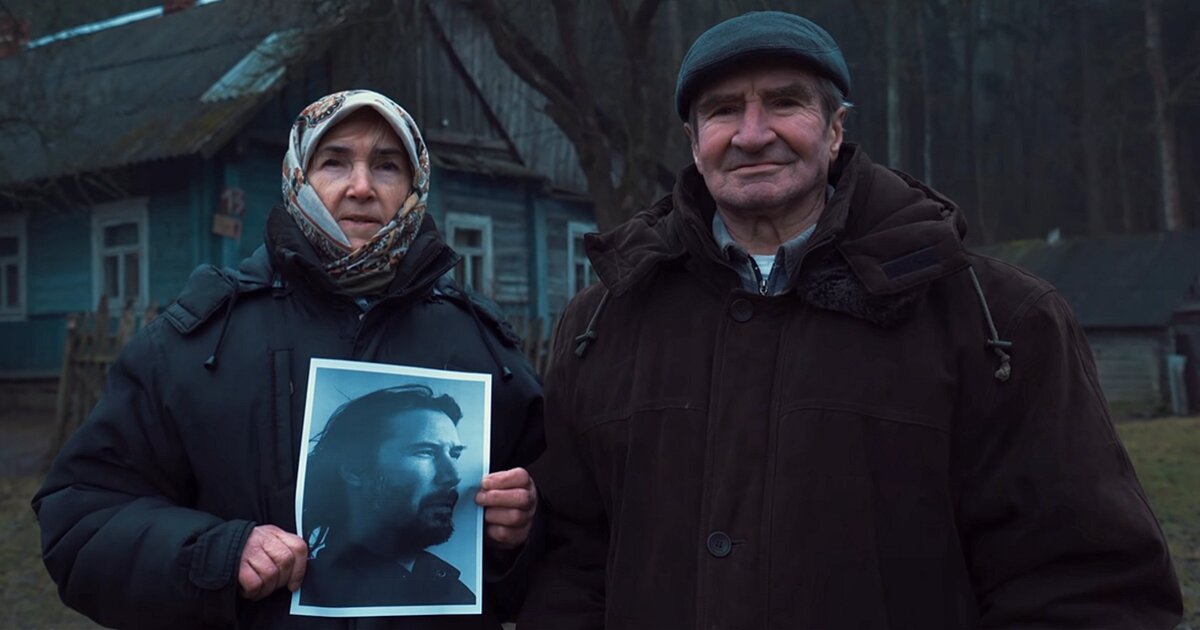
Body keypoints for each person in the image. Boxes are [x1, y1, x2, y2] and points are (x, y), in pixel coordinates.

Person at [519, 11, 1182, 630]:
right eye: (723, 111)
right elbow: (571, 567)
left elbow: (1087, 586)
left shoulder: (996, 321)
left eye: (785, 102)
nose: (752, 134)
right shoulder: (604, 322)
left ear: (835, 130)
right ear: (694, 143)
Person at [33, 90, 544, 629]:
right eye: (335, 162)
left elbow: (574, 543)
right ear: (298, 176)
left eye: (387, 165)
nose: (362, 187)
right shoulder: (201, 343)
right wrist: (219, 554)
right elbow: (80, 524)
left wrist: (522, 531)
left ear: (415, 183)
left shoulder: (483, 348)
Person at [299, 385, 475, 608]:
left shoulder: (458, 594)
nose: (454, 476)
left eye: (454, 454)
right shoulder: (308, 594)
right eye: (426, 452)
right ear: (355, 470)